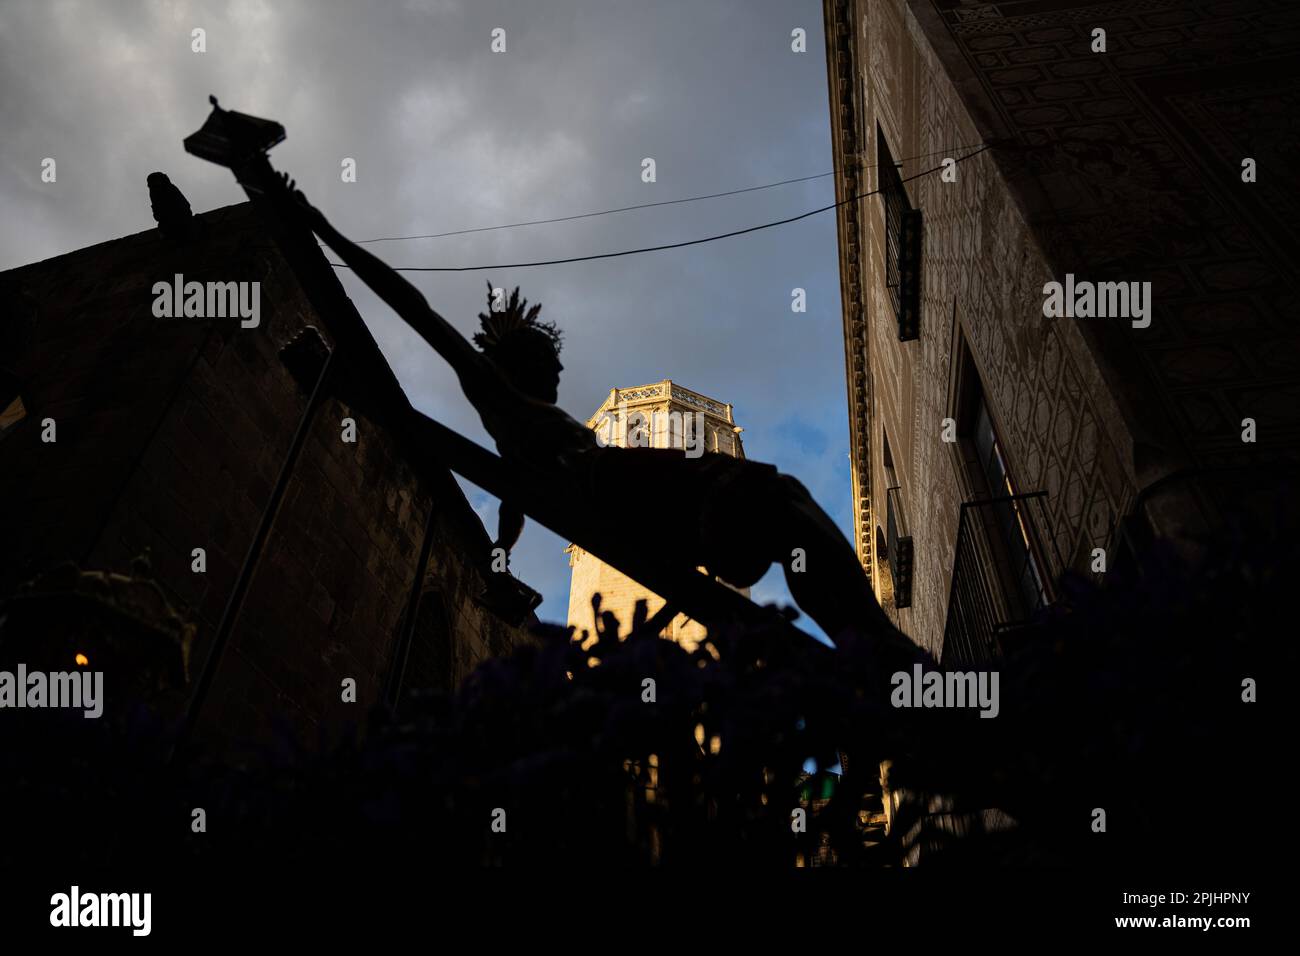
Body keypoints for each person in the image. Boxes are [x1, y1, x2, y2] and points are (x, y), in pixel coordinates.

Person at [276, 175, 907, 653]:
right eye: (546, 359)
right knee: (778, 505)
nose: (557, 371)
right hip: (641, 495)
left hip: (646, 499)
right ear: (518, 365)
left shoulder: (523, 436)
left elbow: (512, 506)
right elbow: (413, 306)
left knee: (782, 511)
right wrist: (318, 224)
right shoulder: (507, 405)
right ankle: (881, 653)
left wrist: (499, 559)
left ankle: (874, 651)